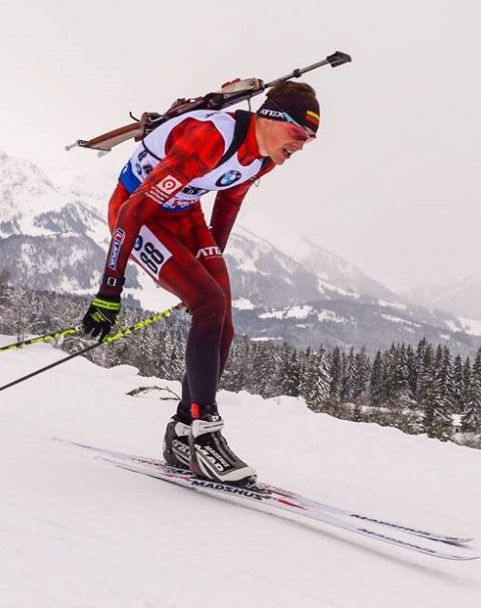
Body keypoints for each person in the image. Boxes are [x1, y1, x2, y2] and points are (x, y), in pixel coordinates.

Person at [82, 81, 321, 486]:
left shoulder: (262, 159)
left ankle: (182, 432)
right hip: (139, 215)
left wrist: (206, 269)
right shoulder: (209, 138)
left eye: (310, 139)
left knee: (220, 315)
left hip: (184, 215)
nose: (301, 145)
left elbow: (228, 203)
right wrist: (109, 292)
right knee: (209, 304)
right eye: (299, 133)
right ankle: (204, 434)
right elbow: (132, 211)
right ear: (271, 118)